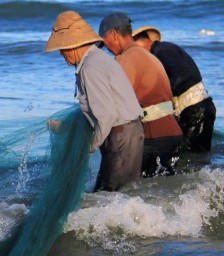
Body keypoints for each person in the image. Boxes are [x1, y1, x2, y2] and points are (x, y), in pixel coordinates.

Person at [45, 11, 144, 192]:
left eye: (62, 48)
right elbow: (97, 111)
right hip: (126, 133)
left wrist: (88, 146)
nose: (61, 54)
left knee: (113, 197)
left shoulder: (90, 67)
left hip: (121, 136)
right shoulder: (97, 59)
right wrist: (66, 127)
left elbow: (107, 115)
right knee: (117, 194)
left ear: (73, 45)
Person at [99, 13, 183, 177]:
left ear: (114, 35)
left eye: (105, 42)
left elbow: (115, 102)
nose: (107, 49)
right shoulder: (148, 55)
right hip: (173, 133)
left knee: (139, 192)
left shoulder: (125, 59)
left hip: (155, 136)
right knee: (164, 192)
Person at [133, 26, 216, 153]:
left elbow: (181, 76)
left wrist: (164, 95)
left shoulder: (161, 52)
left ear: (140, 42)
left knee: (189, 157)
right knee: (198, 155)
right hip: (201, 105)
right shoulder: (167, 48)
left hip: (194, 110)